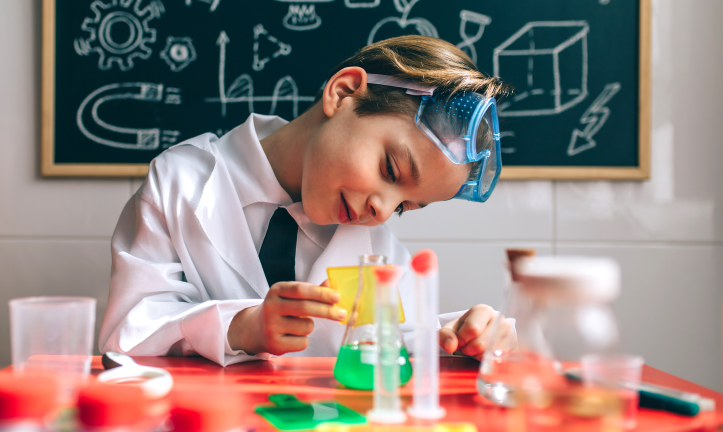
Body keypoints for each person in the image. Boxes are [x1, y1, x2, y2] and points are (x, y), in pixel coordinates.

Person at [99, 35, 518, 366]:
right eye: (390, 170)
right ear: (343, 92)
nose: (383, 211)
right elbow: (125, 338)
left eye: (406, 206)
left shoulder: (376, 250)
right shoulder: (180, 181)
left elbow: (398, 348)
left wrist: (465, 337)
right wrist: (238, 328)